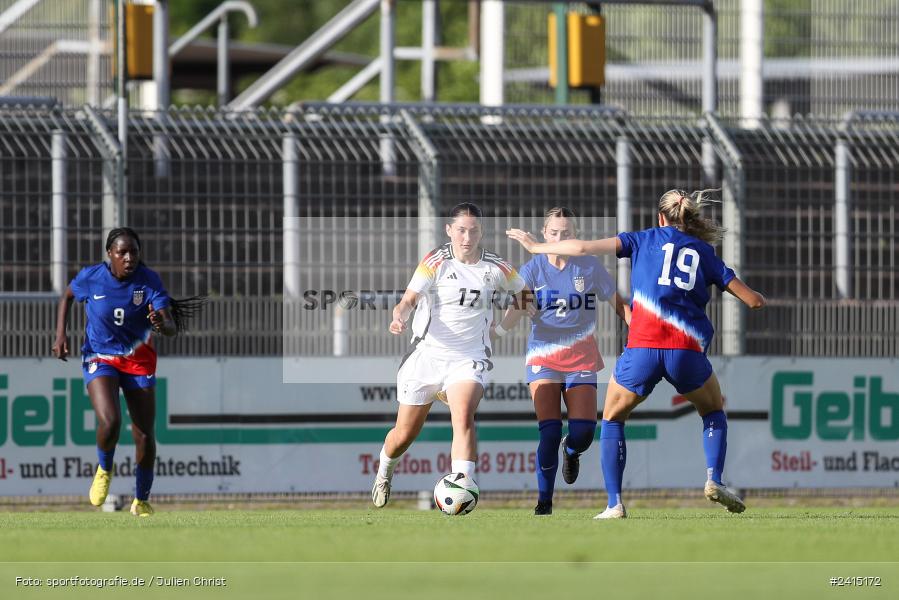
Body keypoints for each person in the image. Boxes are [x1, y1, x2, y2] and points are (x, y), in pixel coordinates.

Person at [508, 190, 766, 519]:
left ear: (660, 218)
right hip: (685, 350)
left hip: (642, 348)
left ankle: (614, 503)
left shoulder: (641, 239)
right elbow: (754, 301)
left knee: (613, 419)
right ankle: (714, 479)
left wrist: (537, 246)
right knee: (713, 412)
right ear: (689, 219)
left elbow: (583, 248)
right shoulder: (705, 252)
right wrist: (753, 292)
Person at [371, 203, 526, 507]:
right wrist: (400, 316)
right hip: (427, 355)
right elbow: (407, 300)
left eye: (474, 230)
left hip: (468, 358)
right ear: (449, 231)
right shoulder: (436, 261)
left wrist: (501, 331)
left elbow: (525, 296)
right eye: (461, 230)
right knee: (403, 435)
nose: (467, 237)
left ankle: (462, 490)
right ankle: (385, 471)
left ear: (482, 232)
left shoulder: (496, 267)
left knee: (463, 412)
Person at [52, 227, 204, 517]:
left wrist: (162, 324)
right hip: (100, 356)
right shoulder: (92, 277)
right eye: (122, 252)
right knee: (110, 422)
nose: (129, 257)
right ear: (110, 254)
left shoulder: (148, 281)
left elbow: (170, 327)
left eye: (133, 251)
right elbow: (68, 296)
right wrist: (60, 334)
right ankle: (105, 469)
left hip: (138, 361)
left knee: (144, 435)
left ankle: (141, 500)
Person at [494, 207, 629, 516]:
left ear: (574, 235)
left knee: (582, 433)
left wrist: (638, 330)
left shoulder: (589, 266)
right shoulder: (531, 269)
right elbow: (518, 307)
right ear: (544, 234)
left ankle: (572, 451)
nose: (559, 237)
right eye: (554, 233)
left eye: (565, 233)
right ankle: (544, 503)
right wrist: (499, 331)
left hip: (581, 355)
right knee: (549, 431)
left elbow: (618, 303)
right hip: (543, 355)